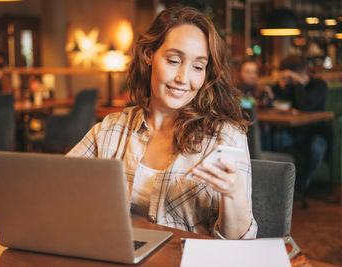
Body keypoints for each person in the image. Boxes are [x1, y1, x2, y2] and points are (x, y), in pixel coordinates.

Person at [67, 5, 257, 239]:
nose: (183, 78)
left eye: (197, 67)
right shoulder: (111, 129)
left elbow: (238, 242)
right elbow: (59, 185)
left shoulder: (225, 137)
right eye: (174, 60)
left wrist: (233, 193)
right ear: (149, 55)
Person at [271, 55, 328, 206]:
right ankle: (276, 185)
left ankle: (300, 186)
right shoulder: (289, 86)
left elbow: (305, 105)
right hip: (294, 132)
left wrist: (298, 83)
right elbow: (275, 101)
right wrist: (278, 87)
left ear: (301, 73)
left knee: (317, 147)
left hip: (315, 133)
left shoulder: (319, 85)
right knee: (276, 138)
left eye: (291, 76)